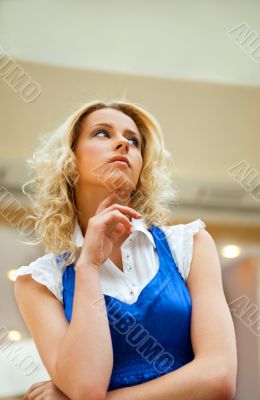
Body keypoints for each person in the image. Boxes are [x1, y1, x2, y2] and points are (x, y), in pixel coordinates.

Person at [13, 99, 237, 400]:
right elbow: (86, 388)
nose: (123, 143)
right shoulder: (38, 281)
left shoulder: (190, 244)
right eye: (103, 133)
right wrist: (88, 265)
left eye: (133, 140)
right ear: (69, 159)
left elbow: (218, 377)